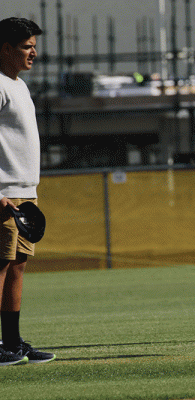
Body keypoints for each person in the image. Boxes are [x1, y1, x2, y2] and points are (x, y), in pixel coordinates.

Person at [0, 17, 55, 365]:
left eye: (34, 45)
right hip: (4, 192)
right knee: (0, 266)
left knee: (17, 266)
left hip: (25, 192)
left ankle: (12, 342)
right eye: (25, 46)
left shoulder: (18, 85)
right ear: (5, 49)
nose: (33, 51)